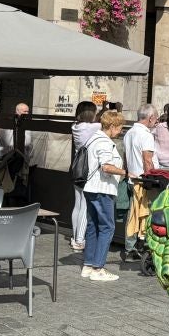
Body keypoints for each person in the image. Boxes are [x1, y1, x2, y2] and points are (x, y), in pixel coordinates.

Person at [80, 110, 127, 282]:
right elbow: (106, 167)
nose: (120, 131)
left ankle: (88, 264)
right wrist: (126, 172)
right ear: (113, 126)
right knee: (107, 227)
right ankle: (98, 268)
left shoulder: (93, 138)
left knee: (93, 225)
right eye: (120, 127)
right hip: (102, 189)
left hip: (91, 188)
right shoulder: (104, 142)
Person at [122, 104, 159, 262]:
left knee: (133, 215)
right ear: (150, 118)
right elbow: (147, 160)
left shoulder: (129, 133)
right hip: (143, 181)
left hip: (132, 178)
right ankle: (138, 248)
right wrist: (151, 180)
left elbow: (125, 157)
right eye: (156, 118)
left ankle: (132, 248)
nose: (156, 122)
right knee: (142, 215)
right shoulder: (146, 135)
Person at [70, 101, 100, 252]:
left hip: (77, 168)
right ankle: (79, 240)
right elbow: (106, 124)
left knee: (77, 204)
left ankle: (74, 236)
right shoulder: (93, 127)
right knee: (85, 205)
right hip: (87, 170)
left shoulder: (75, 126)